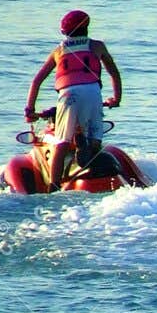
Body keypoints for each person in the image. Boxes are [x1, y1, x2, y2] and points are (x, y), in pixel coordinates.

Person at [24, 10, 123, 190]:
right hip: (93, 92)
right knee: (95, 137)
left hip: (68, 95)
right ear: (86, 28)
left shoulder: (59, 50)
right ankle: (87, 154)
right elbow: (113, 72)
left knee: (61, 142)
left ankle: (53, 186)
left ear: (65, 32)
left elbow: (37, 80)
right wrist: (116, 98)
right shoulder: (97, 46)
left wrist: (30, 111)